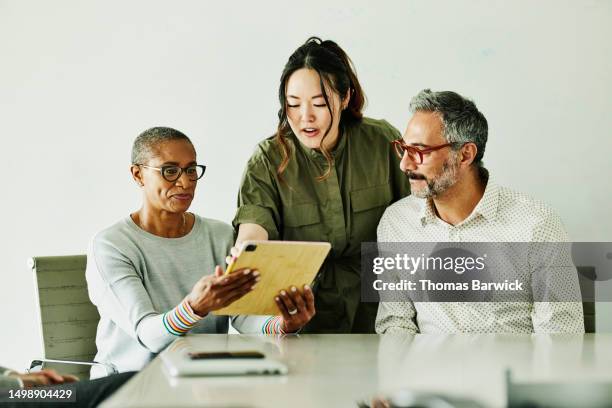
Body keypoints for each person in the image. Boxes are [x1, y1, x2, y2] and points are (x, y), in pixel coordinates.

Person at [86, 127, 314, 378]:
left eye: (191, 170)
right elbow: (148, 335)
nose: (184, 182)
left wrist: (283, 325)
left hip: (202, 379)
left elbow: (242, 316)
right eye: (169, 171)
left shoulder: (220, 235)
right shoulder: (111, 245)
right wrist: (195, 307)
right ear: (138, 174)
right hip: (130, 384)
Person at [231, 37, 410, 334]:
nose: (305, 117)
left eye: (318, 103)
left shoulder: (382, 141)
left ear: (345, 98)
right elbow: (254, 228)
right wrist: (245, 252)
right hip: (304, 318)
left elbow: (418, 220)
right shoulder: (266, 160)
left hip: (381, 314)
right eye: (293, 104)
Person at [375, 89, 585, 334]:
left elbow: (560, 334)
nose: (404, 164)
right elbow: (395, 324)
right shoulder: (397, 223)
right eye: (404, 148)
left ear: (465, 155)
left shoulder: (536, 224)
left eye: (420, 151)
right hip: (428, 369)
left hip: (510, 370)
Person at [0, 364, 133, 408]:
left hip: (9, 392)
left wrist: (20, 376)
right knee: (123, 385)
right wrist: (21, 383)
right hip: (9, 395)